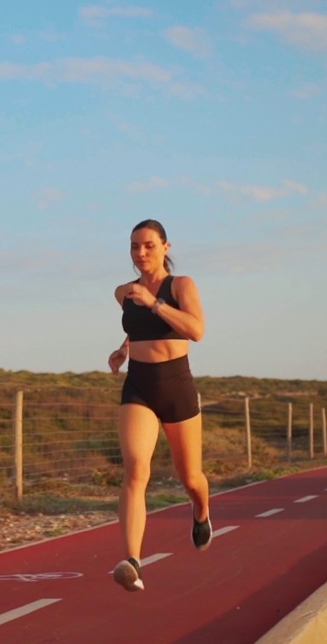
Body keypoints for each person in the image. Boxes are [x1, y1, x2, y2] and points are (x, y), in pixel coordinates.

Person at [106, 218, 211, 592]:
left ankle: (201, 511)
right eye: (135, 246)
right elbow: (136, 328)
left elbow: (196, 330)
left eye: (149, 245)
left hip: (176, 386)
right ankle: (132, 560)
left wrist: (156, 303)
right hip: (139, 386)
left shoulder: (181, 285)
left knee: (190, 479)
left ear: (166, 247)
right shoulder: (124, 292)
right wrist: (123, 349)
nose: (141, 253)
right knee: (135, 471)